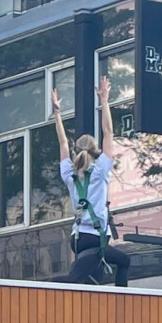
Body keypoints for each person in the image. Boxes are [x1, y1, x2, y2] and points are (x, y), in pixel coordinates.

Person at [52, 76, 131, 287]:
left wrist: (57, 114)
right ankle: (122, 301)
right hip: (95, 238)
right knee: (124, 261)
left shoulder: (69, 173)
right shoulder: (100, 171)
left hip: (77, 238)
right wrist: (104, 101)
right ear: (95, 151)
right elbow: (108, 132)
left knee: (90, 281)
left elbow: (62, 142)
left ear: (77, 151)